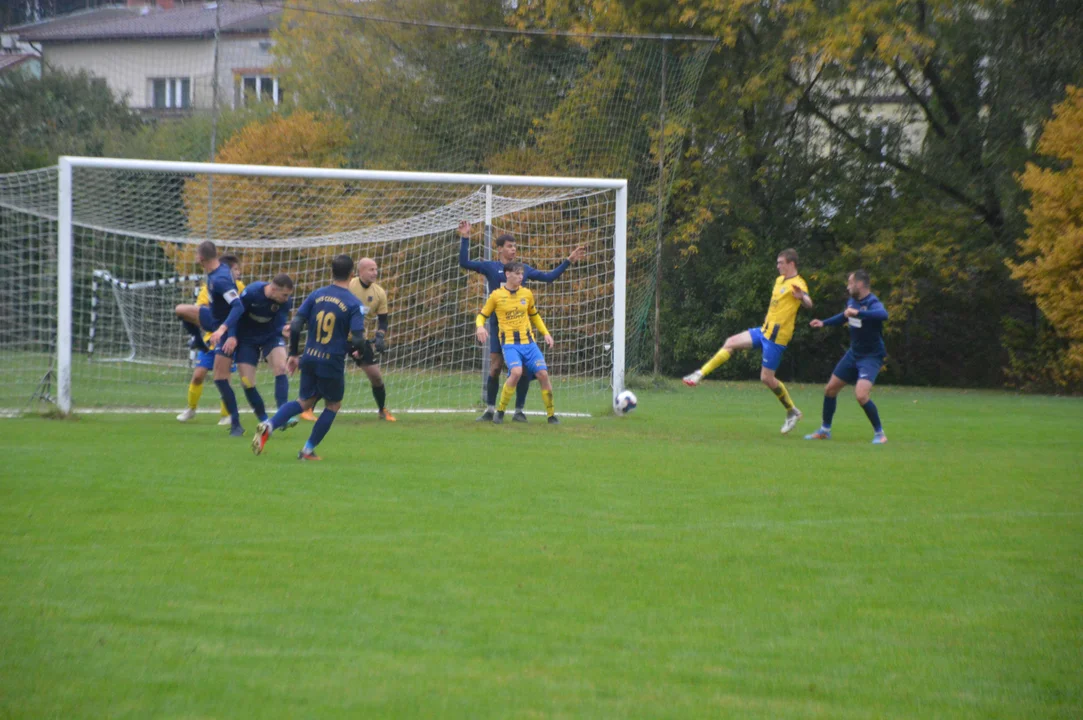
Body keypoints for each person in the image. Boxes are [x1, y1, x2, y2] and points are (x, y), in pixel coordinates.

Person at [458, 220, 585, 422]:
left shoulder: (522, 270)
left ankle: (518, 411)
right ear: (499, 249)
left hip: (521, 331)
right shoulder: (490, 267)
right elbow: (464, 263)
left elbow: (549, 277)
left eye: (515, 246)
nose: (514, 249)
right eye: (509, 246)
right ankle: (491, 410)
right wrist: (465, 238)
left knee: (523, 369)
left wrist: (567, 261)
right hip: (497, 326)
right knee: (496, 366)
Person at [252, 254, 369, 461]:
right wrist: (360, 351)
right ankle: (307, 450)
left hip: (310, 356)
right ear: (352, 275)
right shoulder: (353, 303)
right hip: (331, 361)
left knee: (304, 401)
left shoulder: (316, 295)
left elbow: (296, 325)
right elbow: (359, 339)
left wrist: (294, 354)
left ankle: (269, 425)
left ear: (331, 272)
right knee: (333, 405)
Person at [682, 248, 813, 434]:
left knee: (767, 379)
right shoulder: (779, 281)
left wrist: (803, 298)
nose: (777, 266)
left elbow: (808, 302)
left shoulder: (798, 283)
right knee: (730, 342)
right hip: (763, 331)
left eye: (780, 262)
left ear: (791, 263)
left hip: (776, 339)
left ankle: (792, 411)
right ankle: (699, 374)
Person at [804, 270, 889, 444]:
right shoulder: (852, 301)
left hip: (871, 356)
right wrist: (824, 323)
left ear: (859, 284)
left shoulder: (872, 302)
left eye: (850, 282)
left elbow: (883, 315)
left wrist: (858, 313)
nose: (847, 286)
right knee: (830, 389)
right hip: (854, 354)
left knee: (861, 395)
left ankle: (880, 434)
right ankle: (825, 431)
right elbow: (844, 316)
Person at [174, 241, 246, 436]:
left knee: (220, 378)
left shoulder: (221, 279)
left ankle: (236, 423)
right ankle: (198, 340)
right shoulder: (217, 271)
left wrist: (225, 331)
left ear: (200, 258)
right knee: (180, 310)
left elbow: (238, 306)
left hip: (224, 329)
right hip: (212, 320)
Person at [475, 262, 559, 424]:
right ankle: (500, 411)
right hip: (510, 344)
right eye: (517, 274)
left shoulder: (526, 294)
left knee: (543, 374)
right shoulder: (496, 295)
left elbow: (534, 315)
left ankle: (551, 415)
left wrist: (546, 333)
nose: (521, 277)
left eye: (522, 274)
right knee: (516, 372)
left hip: (529, 343)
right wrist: (480, 327)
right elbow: (482, 315)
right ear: (507, 274)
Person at [224, 273, 295, 428]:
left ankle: (282, 416)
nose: (286, 298)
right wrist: (231, 336)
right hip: (246, 339)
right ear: (274, 289)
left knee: (281, 367)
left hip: (270, 336)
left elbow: (279, 322)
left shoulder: (285, 301)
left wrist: (283, 329)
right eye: (284, 295)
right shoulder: (252, 292)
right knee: (247, 382)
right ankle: (264, 420)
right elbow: (235, 314)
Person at [345, 257, 396, 421]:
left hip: (360, 339)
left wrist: (380, 336)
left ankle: (382, 410)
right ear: (360, 271)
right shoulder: (348, 285)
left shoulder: (379, 293)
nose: (375, 272)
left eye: (376, 269)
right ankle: (309, 408)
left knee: (376, 376)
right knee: (330, 373)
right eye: (371, 269)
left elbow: (383, 321)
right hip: (338, 337)